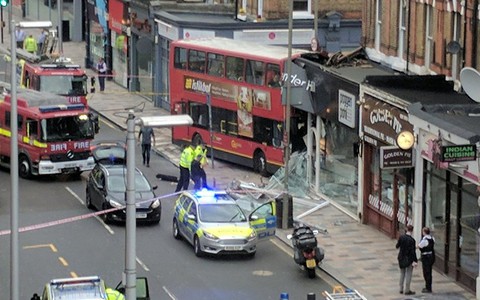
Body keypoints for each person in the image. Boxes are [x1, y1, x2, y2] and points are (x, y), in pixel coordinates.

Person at [395, 224, 417, 295]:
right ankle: (407, 290)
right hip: (409, 258)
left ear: (406, 229)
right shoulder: (412, 240)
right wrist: (415, 260)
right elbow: (413, 252)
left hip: (401, 257)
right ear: (412, 231)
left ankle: (401, 288)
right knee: (409, 274)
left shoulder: (401, 237)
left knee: (402, 273)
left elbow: (397, 246)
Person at [418, 226, 435, 293]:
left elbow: (419, 246)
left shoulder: (424, 240)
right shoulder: (432, 238)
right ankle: (429, 286)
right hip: (431, 256)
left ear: (424, 232)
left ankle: (428, 287)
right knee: (429, 272)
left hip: (425, 257)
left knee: (426, 272)